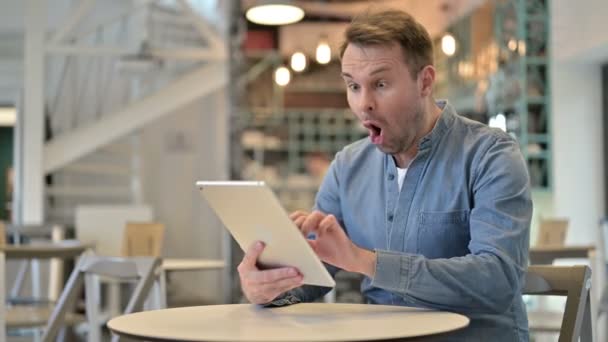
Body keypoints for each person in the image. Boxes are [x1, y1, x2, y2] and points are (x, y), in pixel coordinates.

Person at [237, 9, 532, 341]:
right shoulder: (348, 166)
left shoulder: (490, 154)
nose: (364, 104)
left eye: (380, 84)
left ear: (425, 81)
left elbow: (498, 281)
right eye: (353, 86)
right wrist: (270, 286)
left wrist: (366, 261)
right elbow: (315, 274)